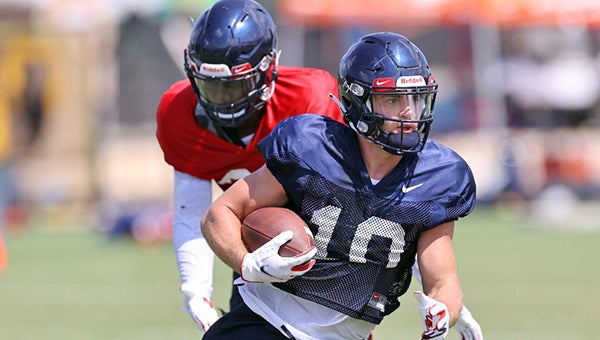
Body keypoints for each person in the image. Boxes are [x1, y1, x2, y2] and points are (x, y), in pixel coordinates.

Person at [201, 32, 480, 339]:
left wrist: (443, 314)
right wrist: (248, 264)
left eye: (415, 98)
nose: (408, 113)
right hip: (265, 321)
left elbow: (442, 281)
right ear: (356, 101)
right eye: (392, 99)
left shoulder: (439, 178)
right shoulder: (309, 148)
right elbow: (220, 214)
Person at [155, 0, 343, 332]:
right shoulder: (179, 112)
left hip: (327, 249)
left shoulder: (309, 99)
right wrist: (196, 291)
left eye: (234, 85)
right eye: (211, 86)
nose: (221, 100)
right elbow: (190, 207)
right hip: (252, 247)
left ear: (269, 68)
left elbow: (364, 195)